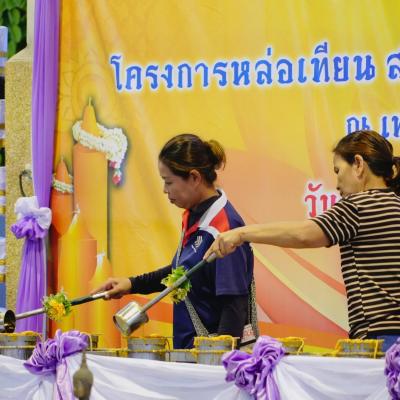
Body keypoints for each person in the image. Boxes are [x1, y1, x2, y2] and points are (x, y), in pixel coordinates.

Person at [205, 129, 400, 352]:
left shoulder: (358, 205)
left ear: (358, 164)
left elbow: (304, 235)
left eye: (338, 171)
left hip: (379, 337)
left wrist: (240, 234)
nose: (337, 184)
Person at [92, 133, 254, 349]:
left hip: (209, 359)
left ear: (194, 178)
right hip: (190, 355)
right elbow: (183, 273)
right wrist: (131, 284)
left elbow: (234, 306)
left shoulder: (223, 226)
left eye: (168, 182)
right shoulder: (195, 215)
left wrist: (219, 360)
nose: (164, 189)